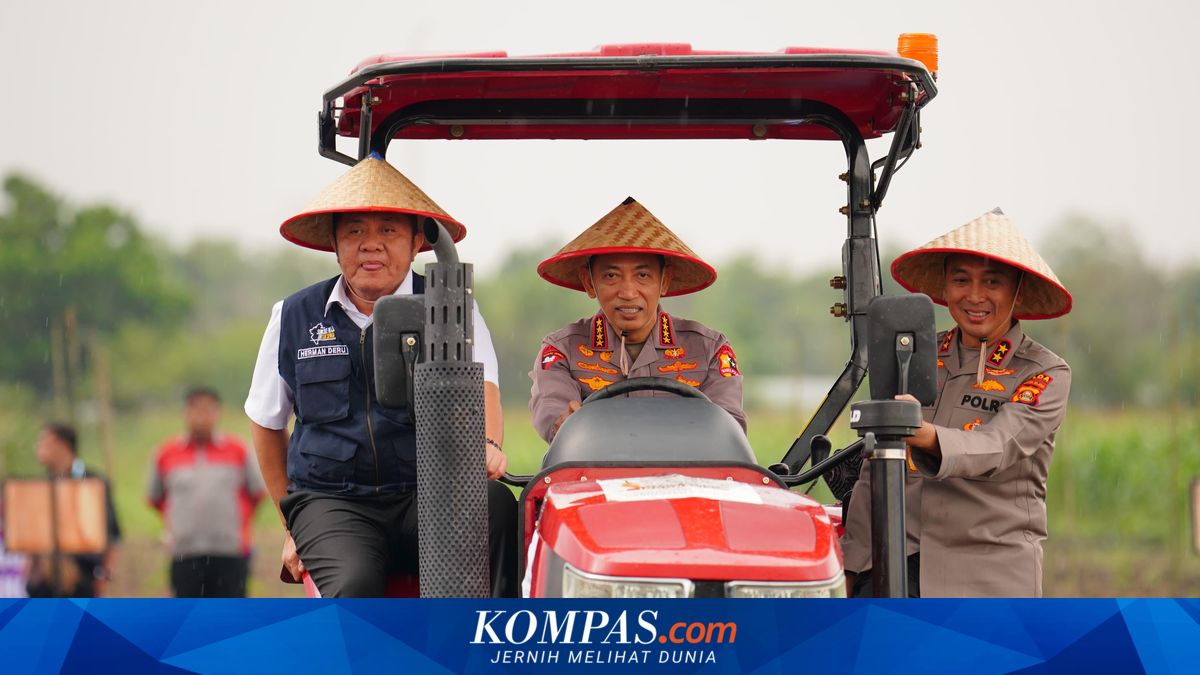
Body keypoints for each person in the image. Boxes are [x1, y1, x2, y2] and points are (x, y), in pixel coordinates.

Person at [244, 154, 517, 597]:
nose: (371, 245)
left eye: (387, 230)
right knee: (354, 587)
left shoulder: (453, 308)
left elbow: (484, 390)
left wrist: (487, 446)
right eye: (355, 231)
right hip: (333, 503)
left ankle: (491, 651)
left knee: (496, 506)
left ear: (415, 244)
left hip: (427, 494)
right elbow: (265, 423)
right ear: (335, 243)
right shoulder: (293, 315)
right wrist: (291, 521)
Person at [841, 208, 1073, 597]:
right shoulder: (912, 356)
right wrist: (850, 568)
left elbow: (997, 446)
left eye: (993, 283)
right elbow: (874, 471)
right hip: (896, 570)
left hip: (986, 580)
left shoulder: (1044, 373)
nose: (975, 296)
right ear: (945, 290)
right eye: (961, 280)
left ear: (1017, 291)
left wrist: (922, 434)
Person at [530, 196, 745, 442]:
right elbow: (552, 413)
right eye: (611, 275)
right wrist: (563, 424)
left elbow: (729, 433)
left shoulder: (711, 350)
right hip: (593, 475)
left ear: (664, 281)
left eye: (643, 275)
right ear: (589, 282)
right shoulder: (561, 350)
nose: (628, 292)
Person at [147, 387, 265, 597]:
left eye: (208, 410)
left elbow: (257, 493)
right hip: (185, 554)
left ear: (217, 413)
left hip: (230, 552)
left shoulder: (238, 450)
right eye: (196, 410)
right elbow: (156, 498)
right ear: (186, 413)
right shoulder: (166, 453)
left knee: (231, 620)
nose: (201, 417)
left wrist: (239, 523)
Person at [25, 423, 121, 598]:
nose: (39, 448)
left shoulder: (92, 483)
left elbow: (112, 534)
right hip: (44, 584)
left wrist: (104, 576)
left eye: (45, 442)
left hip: (83, 581)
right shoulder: (40, 486)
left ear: (62, 446)